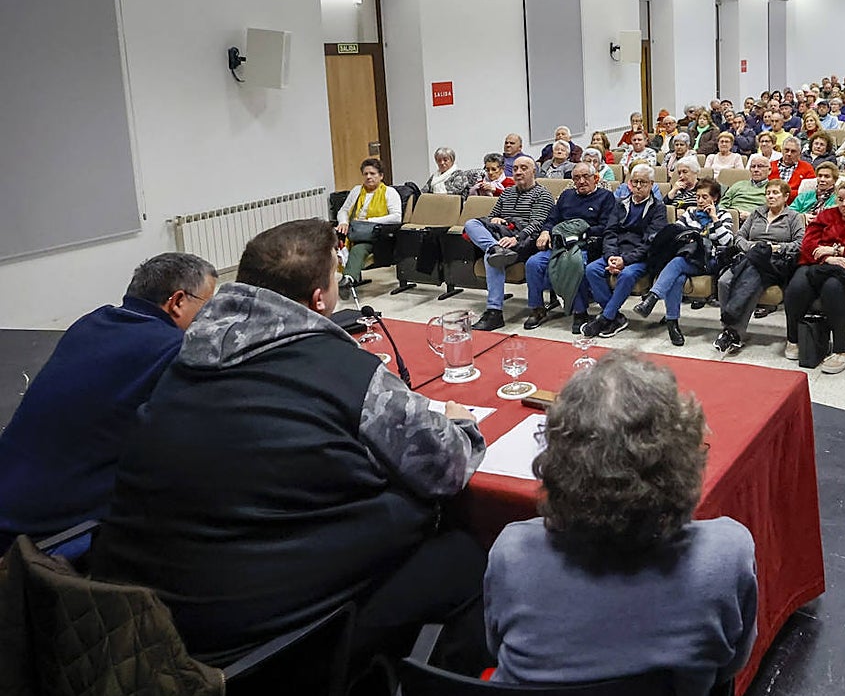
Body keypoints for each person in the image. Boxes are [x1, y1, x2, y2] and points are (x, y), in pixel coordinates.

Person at [91, 219, 488, 665]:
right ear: (321, 298)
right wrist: (462, 423)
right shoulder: (346, 372)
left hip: (142, 632)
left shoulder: (187, 358)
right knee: (463, 558)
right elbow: (446, 467)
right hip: (254, 653)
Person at [484, 351, 758, 696]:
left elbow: (495, 648)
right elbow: (730, 663)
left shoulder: (512, 551)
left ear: (557, 460)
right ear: (682, 461)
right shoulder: (727, 553)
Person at [0, 254, 217, 559]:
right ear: (178, 301)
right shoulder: (171, 349)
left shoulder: (91, 322)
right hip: (41, 532)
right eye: (209, 306)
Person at [783, 178, 845, 374]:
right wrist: (828, 259)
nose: (844, 204)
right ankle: (793, 339)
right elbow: (809, 243)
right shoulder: (827, 215)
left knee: (833, 287)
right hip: (819, 264)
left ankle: (842, 352)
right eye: (840, 199)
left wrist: (836, 250)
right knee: (797, 284)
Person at [634, 178, 734, 346]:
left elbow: (727, 242)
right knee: (677, 277)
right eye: (698, 197)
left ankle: (652, 299)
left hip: (710, 260)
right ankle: (673, 325)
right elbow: (676, 234)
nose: (700, 201)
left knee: (677, 263)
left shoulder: (724, 214)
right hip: (689, 258)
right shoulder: (689, 213)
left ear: (714, 198)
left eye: (705, 197)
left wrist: (714, 219)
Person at [464, 156, 555, 331]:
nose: (518, 172)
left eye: (523, 168)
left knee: (492, 257)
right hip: (502, 238)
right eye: (515, 169)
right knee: (471, 224)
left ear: (533, 171)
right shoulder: (507, 192)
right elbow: (491, 216)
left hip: (527, 241)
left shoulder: (542, 194)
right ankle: (494, 247)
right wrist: (495, 219)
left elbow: (537, 225)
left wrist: (516, 238)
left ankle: (494, 312)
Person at [523, 162, 616, 333]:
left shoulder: (605, 197)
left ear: (595, 178)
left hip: (585, 246)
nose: (581, 181)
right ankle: (537, 309)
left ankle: (580, 312)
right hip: (559, 244)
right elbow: (552, 219)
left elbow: (606, 226)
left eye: (585, 177)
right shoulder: (566, 195)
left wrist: (581, 233)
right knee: (533, 263)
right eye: (576, 178)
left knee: (575, 264)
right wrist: (545, 232)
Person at [714, 179, 805, 353]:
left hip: (775, 262)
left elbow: (800, 244)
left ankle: (735, 333)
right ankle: (728, 328)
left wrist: (776, 247)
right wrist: (752, 247)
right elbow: (739, 236)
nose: (771, 197)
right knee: (724, 282)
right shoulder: (756, 213)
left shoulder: (793, 217)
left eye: (776, 193)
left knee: (752, 283)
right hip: (749, 257)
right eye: (768, 193)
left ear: (786, 196)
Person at [581, 164, 667, 338]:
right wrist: (612, 255)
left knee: (627, 275)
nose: (637, 186)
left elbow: (651, 242)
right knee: (591, 269)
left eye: (643, 182)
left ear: (651, 184)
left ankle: (605, 318)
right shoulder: (620, 204)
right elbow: (610, 232)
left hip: (640, 257)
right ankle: (615, 317)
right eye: (634, 182)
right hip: (616, 252)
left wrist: (625, 260)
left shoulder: (658, 208)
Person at [337, 157, 405, 293]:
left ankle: (348, 279)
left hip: (375, 234)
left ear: (381, 176)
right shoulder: (357, 191)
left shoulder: (389, 193)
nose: (368, 177)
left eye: (372, 174)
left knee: (358, 249)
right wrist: (343, 222)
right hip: (354, 231)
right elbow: (343, 210)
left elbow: (396, 217)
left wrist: (371, 221)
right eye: (366, 174)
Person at [772, 136, 818, 202]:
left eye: (793, 151)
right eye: (786, 150)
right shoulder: (770, 166)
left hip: (795, 206)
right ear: (782, 150)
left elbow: (808, 193)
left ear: (799, 153)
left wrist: (781, 194)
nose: (789, 154)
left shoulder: (807, 168)